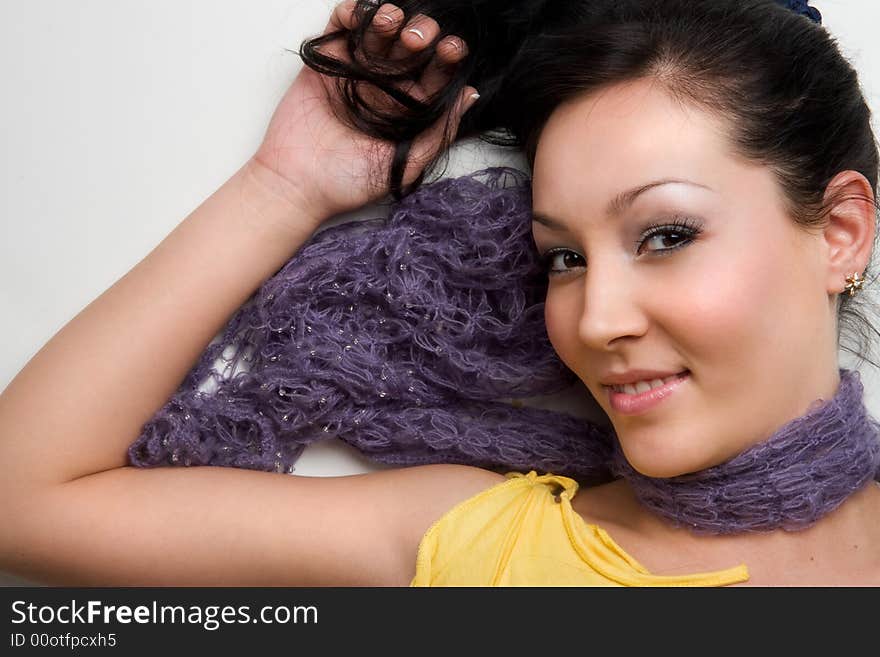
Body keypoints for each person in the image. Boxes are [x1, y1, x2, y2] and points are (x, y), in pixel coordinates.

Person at [0, 0, 878, 586]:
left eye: (666, 235)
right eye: (562, 259)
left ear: (840, 232)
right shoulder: (481, 546)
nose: (596, 319)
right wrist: (287, 183)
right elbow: (24, 498)